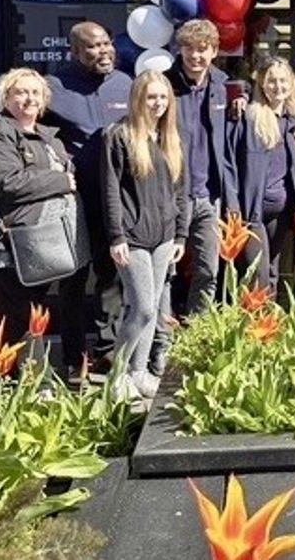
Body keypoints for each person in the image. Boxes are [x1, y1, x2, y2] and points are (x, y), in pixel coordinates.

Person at [0, 68, 87, 356]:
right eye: (21, 92)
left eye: (35, 93)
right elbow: (8, 183)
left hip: (45, 242)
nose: (29, 99)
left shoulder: (47, 136)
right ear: (5, 98)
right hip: (11, 246)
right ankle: (17, 377)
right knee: (16, 319)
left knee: (34, 315)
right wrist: (61, 181)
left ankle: (39, 373)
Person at [44, 21, 132, 376]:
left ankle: (108, 351)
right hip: (74, 204)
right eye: (93, 46)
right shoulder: (54, 86)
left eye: (106, 43)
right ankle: (74, 356)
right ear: (75, 52)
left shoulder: (125, 83)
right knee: (74, 281)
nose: (104, 51)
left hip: (114, 201)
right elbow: (18, 117)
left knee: (111, 279)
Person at [101, 70, 188, 398]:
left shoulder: (171, 137)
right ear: (138, 98)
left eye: (163, 97)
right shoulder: (119, 136)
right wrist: (116, 236)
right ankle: (117, 376)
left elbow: (181, 191)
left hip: (164, 237)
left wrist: (180, 235)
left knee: (152, 307)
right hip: (132, 237)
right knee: (142, 309)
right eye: (151, 97)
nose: (158, 103)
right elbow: (110, 190)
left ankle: (139, 373)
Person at [168, 19, 240, 311]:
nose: (195, 56)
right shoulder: (164, 86)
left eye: (202, 49)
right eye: (189, 48)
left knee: (208, 270)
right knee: (166, 270)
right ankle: (164, 331)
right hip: (173, 195)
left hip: (210, 196)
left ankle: (198, 328)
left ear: (214, 51)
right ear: (180, 50)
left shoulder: (224, 87)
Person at [227, 57, 295, 288]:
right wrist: (233, 206)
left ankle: (270, 313)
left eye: (283, 80)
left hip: (281, 213)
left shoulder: (294, 121)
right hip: (253, 213)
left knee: (271, 272)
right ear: (261, 83)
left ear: (291, 84)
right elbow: (230, 162)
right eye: (271, 81)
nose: (278, 86)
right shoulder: (248, 117)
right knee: (257, 278)